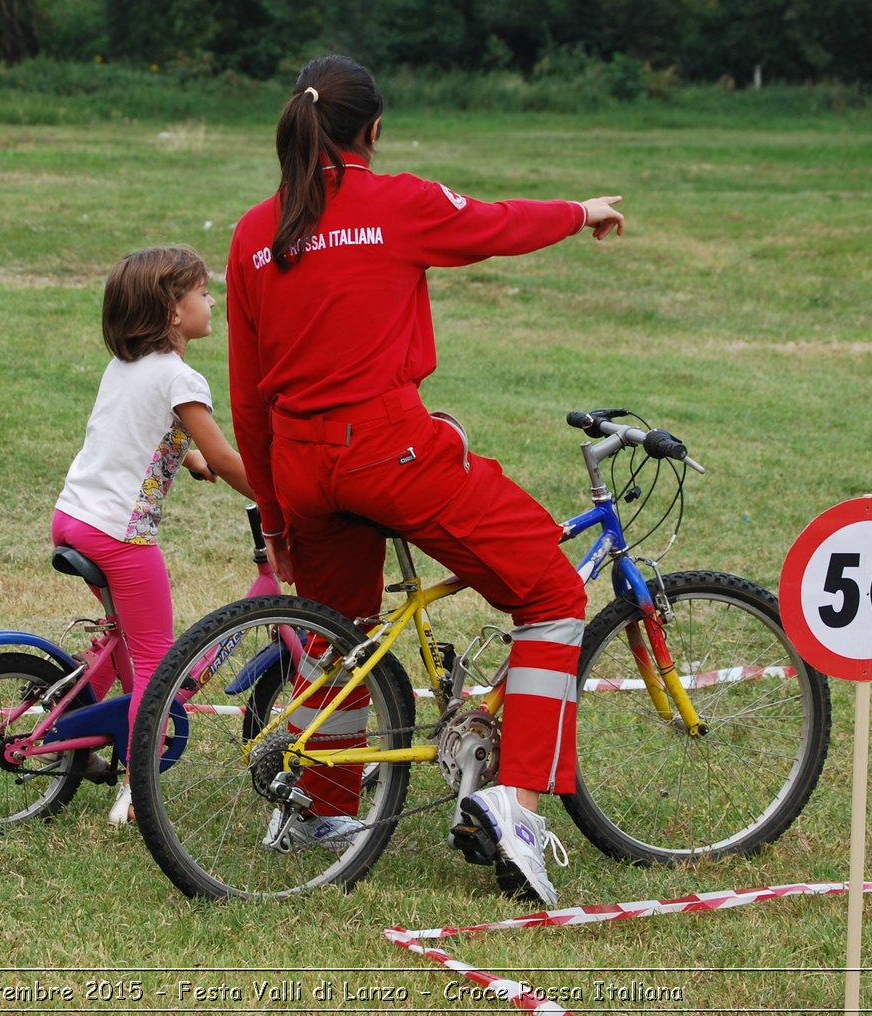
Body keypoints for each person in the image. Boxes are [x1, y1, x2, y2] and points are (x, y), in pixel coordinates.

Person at [225, 55, 625, 904]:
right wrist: (581, 211)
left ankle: (319, 810)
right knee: (551, 592)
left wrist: (277, 523)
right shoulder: (396, 201)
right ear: (373, 130)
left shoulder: (253, 233)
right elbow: (496, 223)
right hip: (389, 449)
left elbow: (248, 402)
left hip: (300, 465)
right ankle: (513, 804)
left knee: (340, 638)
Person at [54, 244, 257, 825]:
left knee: (127, 639)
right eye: (201, 291)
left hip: (74, 518)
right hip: (120, 538)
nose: (211, 299)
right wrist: (276, 497)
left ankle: (92, 732)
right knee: (156, 664)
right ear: (173, 311)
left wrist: (185, 457)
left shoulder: (126, 368)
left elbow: (134, 433)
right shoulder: (181, 376)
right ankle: (138, 787)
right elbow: (225, 453)